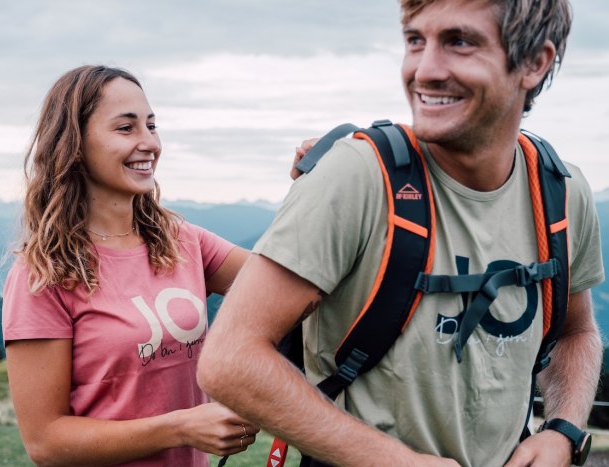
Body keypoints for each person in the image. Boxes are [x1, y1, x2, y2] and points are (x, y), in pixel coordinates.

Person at [197, 1, 604, 466]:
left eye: (459, 42)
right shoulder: (358, 176)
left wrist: (563, 430)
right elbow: (230, 360)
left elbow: (576, 331)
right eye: (415, 41)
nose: (423, 70)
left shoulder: (559, 191)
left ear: (534, 62)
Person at [2, 65, 259, 466]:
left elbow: (288, 288)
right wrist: (180, 428)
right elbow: (46, 442)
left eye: (151, 126)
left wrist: (314, 185)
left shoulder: (184, 241)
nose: (150, 143)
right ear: (74, 144)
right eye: (126, 128)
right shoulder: (44, 274)